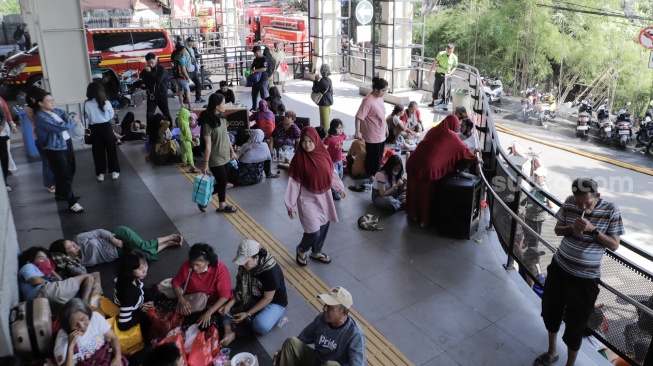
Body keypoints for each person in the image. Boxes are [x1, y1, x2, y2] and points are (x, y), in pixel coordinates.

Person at [534, 177, 624, 366]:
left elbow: (615, 245)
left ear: (597, 196)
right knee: (551, 311)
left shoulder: (611, 210)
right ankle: (552, 352)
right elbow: (558, 230)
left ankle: (570, 364)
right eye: (579, 202)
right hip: (560, 269)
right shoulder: (569, 203)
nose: (583, 207)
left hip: (585, 279)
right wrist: (571, 228)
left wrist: (593, 231)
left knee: (577, 324)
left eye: (587, 203)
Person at [286, 126, 346, 267]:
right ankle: (302, 249)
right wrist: (291, 205)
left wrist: (339, 187)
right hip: (307, 199)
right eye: (304, 141)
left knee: (324, 224)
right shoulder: (299, 160)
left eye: (310, 141)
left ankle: (316, 251)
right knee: (313, 231)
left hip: (324, 196)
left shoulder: (323, 154)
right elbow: (293, 184)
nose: (307, 144)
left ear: (316, 140)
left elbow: (331, 172)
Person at [405, 114, 480, 227]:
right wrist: (476, 158)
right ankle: (424, 221)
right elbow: (463, 151)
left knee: (415, 189)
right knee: (426, 194)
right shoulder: (451, 135)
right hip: (428, 167)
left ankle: (414, 214)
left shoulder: (433, 130)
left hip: (413, 161)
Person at [218, 239, 288, 346]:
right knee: (225, 298)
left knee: (260, 325)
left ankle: (243, 324)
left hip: (273, 302)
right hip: (253, 296)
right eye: (242, 262)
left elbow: (267, 299)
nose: (243, 265)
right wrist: (229, 304)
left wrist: (247, 313)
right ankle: (229, 331)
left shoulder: (270, 271)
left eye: (246, 262)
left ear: (257, 258)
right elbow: (241, 290)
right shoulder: (244, 266)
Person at [275, 286, 365, 366]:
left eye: (330, 307)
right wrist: (283, 354)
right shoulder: (321, 318)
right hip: (317, 360)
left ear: (344, 311)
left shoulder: (355, 334)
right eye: (325, 304)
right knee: (291, 342)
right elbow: (301, 339)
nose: (324, 309)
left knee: (331, 365)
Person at [49, 227, 182, 277]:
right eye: (70, 247)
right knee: (145, 256)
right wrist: (69, 263)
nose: (74, 245)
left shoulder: (79, 239)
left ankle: (169, 237)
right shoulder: (77, 263)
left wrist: (112, 239)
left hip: (118, 236)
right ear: (66, 254)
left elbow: (99, 232)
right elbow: (83, 273)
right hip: (118, 253)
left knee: (143, 245)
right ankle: (167, 245)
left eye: (71, 243)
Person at [34, 92, 84, 213]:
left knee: (71, 169)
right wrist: (72, 120)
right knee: (63, 174)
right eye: (49, 101)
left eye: (52, 100)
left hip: (66, 142)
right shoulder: (41, 117)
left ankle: (62, 193)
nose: (52, 103)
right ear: (41, 103)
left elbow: (63, 114)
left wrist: (67, 119)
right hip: (54, 148)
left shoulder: (55, 111)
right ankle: (72, 202)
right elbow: (59, 127)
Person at [171, 243, 233, 329]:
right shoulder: (186, 265)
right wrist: (182, 300)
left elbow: (224, 296)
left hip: (211, 303)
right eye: (192, 264)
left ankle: (228, 331)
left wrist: (209, 312)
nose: (194, 268)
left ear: (208, 261)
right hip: (192, 301)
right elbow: (176, 283)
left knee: (209, 323)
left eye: (198, 265)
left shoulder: (220, 269)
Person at [18, 246, 96, 313]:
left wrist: (50, 269)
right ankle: (85, 305)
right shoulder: (28, 266)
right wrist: (49, 281)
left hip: (47, 302)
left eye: (46, 258)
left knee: (95, 285)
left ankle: (87, 307)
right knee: (88, 277)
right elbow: (35, 281)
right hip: (42, 293)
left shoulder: (42, 273)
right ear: (29, 261)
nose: (46, 260)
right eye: (41, 258)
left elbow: (60, 281)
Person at [54, 298, 124, 366]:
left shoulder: (95, 318)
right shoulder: (63, 337)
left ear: (88, 314)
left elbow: (112, 338)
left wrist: (117, 358)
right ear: (68, 327)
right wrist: (70, 346)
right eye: (75, 324)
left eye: (83, 319)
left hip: (105, 359)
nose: (81, 326)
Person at [198, 93, 238, 213]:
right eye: (223, 103)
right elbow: (208, 145)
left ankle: (221, 205)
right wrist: (205, 163)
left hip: (225, 155)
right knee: (221, 182)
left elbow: (226, 136)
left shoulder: (222, 118)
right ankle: (203, 199)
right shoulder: (207, 123)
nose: (225, 105)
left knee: (223, 183)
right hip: (215, 158)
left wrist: (232, 151)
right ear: (216, 106)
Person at [354, 77, 389, 186]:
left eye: (385, 90)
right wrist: (357, 131)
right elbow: (359, 117)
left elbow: (382, 115)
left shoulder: (380, 98)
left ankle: (375, 175)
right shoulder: (368, 100)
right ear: (376, 89)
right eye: (383, 90)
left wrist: (386, 127)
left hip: (381, 133)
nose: (384, 93)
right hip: (372, 135)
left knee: (379, 157)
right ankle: (371, 176)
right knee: (373, 158)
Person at [113, 250, 154, 340]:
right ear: (129, 269)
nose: (145, 270)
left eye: (145, 265)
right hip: (134, 312)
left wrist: (150, 300)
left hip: (137, 304)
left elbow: (142, 288)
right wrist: (142, 313)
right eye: (140, 268)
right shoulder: (128, 292)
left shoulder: (130, 278)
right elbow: (123, 324)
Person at [84, 82, 120, 182]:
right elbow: (111, 115)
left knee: (98, 152)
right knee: (111, 150)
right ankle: (114, 172)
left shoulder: (86, 104)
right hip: (106, 127)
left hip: (94, 129)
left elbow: (87, 117)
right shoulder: (106, 102)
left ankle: (100, 174)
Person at [24, 86, 55, 193]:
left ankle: (54, 181)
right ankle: (49, 184)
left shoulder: (38, 107)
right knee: (46, 161)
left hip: (48, 136)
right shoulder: (29, 109)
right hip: (40, 137)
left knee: (52, 160)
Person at [141, 52, 172, 124]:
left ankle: (169, 126)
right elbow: (143, 81)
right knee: (149, 114)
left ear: (155, 60)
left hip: (161, 94)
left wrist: (149, 72)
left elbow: (158, 80)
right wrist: (143, 85)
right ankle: (149, 131)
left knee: (165, 112)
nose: (150, 65)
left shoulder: (161, 68)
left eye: (152, 62)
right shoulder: (145, 71)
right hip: (151, 95)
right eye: (148, 63)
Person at [427, 44, 458, 108]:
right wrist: (430, 71)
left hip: (447, 75)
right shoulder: (441, 54)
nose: (448, 51)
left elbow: (454, 67)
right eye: (447, 50)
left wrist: (450, 74)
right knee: (436, 89)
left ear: (453, 50)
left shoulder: (454, 57)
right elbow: (435, 62)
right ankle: (434, 102)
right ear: (446, 49)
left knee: (446, 91)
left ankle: (444, 105)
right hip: (439, 73)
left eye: (450, 50)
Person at [0, 96, 17, 192]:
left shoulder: (0, 99)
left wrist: (2, 126)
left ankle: (5, 180)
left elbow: (4, 114)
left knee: (4, 157)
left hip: (1, 135)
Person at [177, 108, 200, 173]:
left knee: (183, 151)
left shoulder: (180, 121)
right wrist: (191, 140)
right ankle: (192, 166)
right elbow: (187, 134)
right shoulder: (185, 124)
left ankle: (184, 162)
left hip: (182, 138)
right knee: (189, 152)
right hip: (186, 140)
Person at [184, 37, 205, 104]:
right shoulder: (184, 50)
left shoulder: (192, 49)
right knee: (187, 86)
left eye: (192, 41)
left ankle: (198, 98)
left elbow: (197, 56)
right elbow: (183, 61)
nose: (192, 43)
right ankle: (185, 99)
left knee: (198, 84)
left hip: (193, 70)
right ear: (187, 42)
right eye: (190, 41)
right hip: (188, 71)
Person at [312, 64, 334, 130]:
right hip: (327, 101)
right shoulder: (328, 80)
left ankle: (325, 135)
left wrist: (315, 81)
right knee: (325, 119)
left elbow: (315, 89)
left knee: (324, 122)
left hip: (324, 102)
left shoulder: (323, 81)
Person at [250, 46, 271, 112]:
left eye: (256, 53)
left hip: (263, 80)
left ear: (260, 52)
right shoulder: (255, 59)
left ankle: (264, 108)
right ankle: (254, 107)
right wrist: (251, 69)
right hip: (256, 80)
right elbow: (252, 65)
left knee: (263, 96)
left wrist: (255, 70)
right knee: (254, 94)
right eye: (254, 53)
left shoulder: (265, 59)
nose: (255, 54)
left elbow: (264, 69)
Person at [173, 44, 194, 110]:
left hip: (176, 77)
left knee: (180, 91)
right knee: (187, 90)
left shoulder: (176, 57)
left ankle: (182, 105)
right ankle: (190, 105)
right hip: (182, 77)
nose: (185, 51)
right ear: (180, 51)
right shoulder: (181, 59)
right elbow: (184, 70)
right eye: (184, 50)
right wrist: (187, 77)